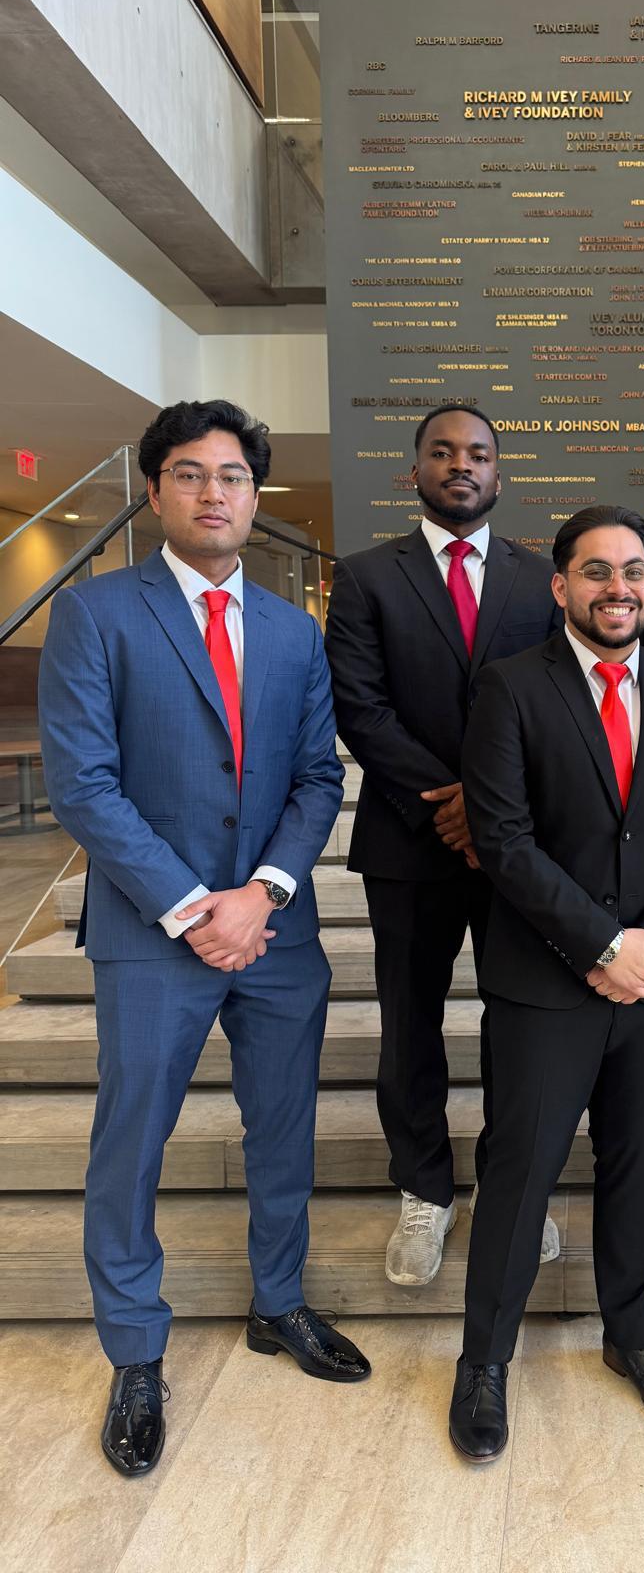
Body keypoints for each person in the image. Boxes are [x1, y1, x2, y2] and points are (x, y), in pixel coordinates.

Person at [39, 400, 367, 1479]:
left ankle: (280, 1302)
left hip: (274, 932)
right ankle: (135, 1349)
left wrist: (263, 893)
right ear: (155, 491)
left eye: (233, 476)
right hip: (149, 932)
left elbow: (320, 776)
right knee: (130, 1141)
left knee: (281, 1132)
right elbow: (84, 784)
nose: (214, 492)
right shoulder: (96, 616)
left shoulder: (292, 629)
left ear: (255, 497)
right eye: (190, 474)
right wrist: (193, 904)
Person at [448, 505, 644, 1462]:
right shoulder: (509, 688)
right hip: (546, 981)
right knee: (520, 1170)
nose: (621, 588)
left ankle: (633, 1335)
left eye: (636, 571)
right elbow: (504, 841)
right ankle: (483, 1361)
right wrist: (603, 944)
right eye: (597, 571)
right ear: (561, 586)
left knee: (638, 1165)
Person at [323, 404, 561, 1287]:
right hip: (409, 845)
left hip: (519, 848)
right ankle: (423, 1189)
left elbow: (556, 707)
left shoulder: (543, 582)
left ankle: (512, 1189)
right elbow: (362, 708)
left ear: (500, 474)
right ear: (413, 470)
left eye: (479, 454)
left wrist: (491, 807)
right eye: (443, 452)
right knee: (409, 1028)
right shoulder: (364, 577)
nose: (461, 465)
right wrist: (446, 805)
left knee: (520, 1027)